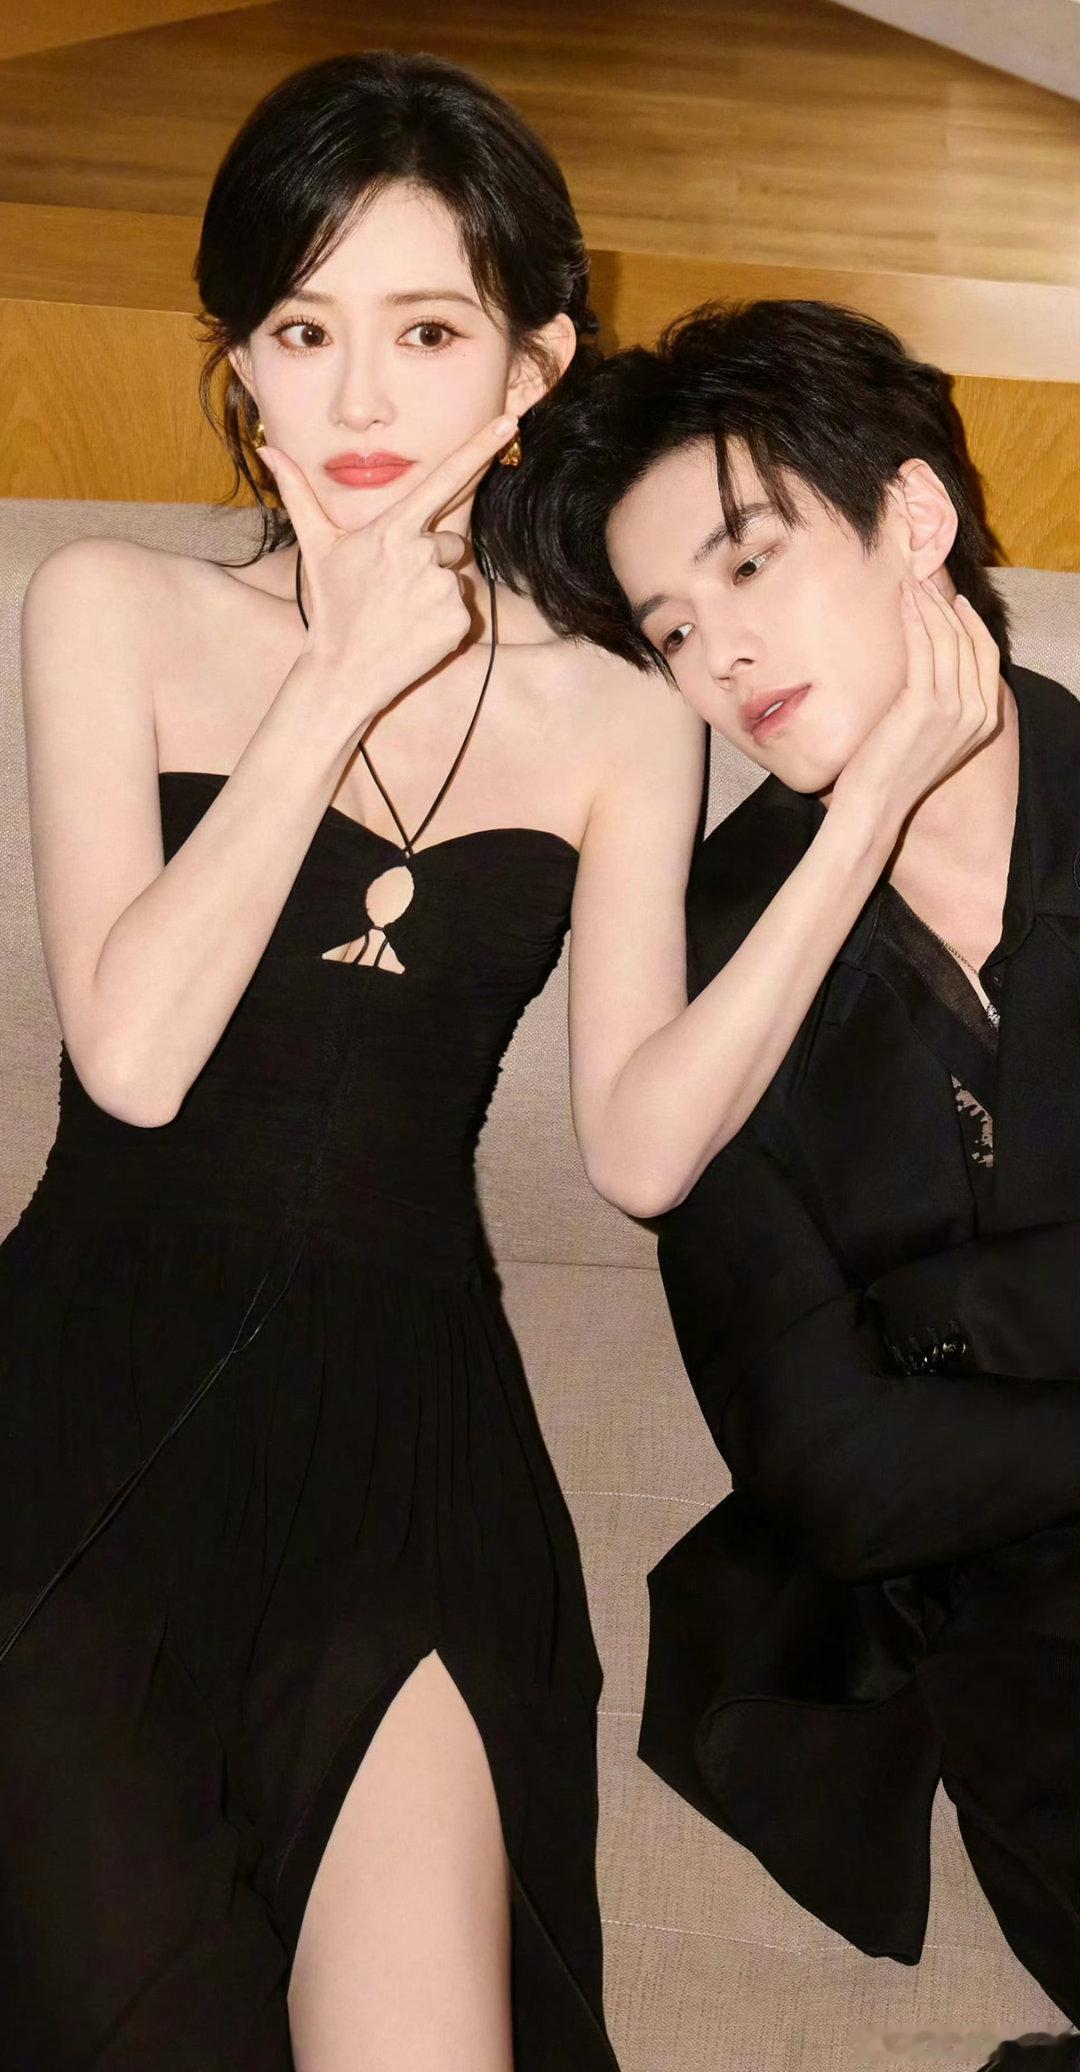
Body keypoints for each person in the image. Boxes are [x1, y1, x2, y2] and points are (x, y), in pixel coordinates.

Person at [4, 49, 995, 2067]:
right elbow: (134, 1057)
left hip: (412, 1437)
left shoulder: (618, 714)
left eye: (429, 331)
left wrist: (873, 804)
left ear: (535, 362)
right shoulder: (107, 607)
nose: (360, 399)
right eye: (304, 331)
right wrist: (331, 683)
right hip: (81, 1410)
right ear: (242, 364)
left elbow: (637, 1148)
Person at [484, 296, 1080, 2065]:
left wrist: (949, 1317)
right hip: (1031, 1668)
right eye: (672, 628)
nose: (719, 655)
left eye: (750, 564)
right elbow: (835, 1475)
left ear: (916, 520)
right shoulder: (706, 977)